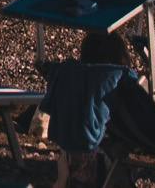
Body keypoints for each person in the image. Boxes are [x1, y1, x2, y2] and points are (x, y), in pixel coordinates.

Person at [39, 30, 135, 188]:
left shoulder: (71, 78)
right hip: (103, 159)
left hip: (71, 156)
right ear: (120, 58)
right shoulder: (117, 81)